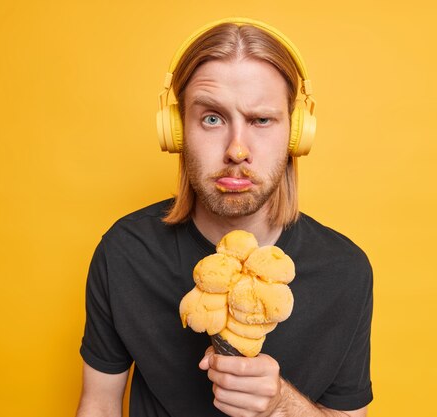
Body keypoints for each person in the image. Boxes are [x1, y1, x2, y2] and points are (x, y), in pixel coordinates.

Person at [76, 18, 373, 417]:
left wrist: (282, 405)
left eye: (261, 120)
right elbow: (99, 403)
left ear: (296, 135)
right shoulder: (126, 251)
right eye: (212, 118)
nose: (236, 150)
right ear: (177, 130)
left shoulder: (346, 271)